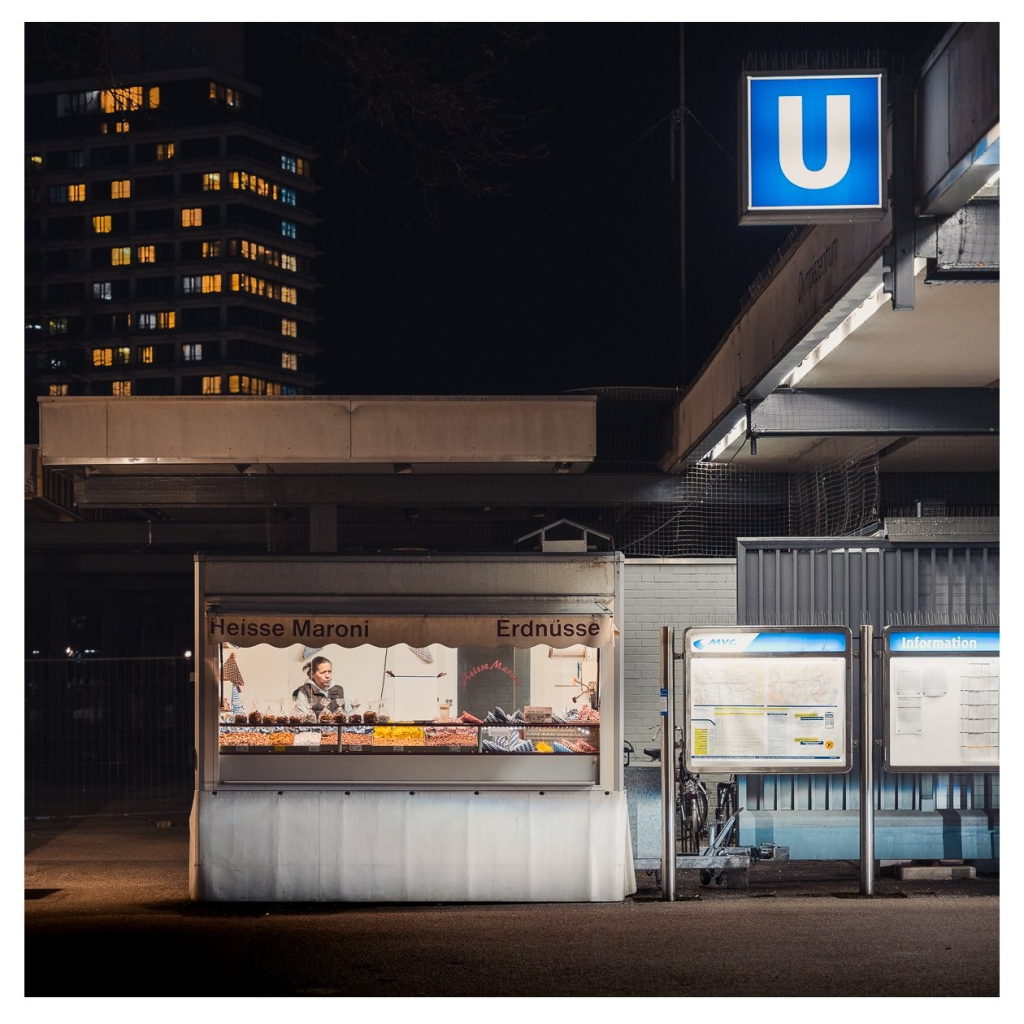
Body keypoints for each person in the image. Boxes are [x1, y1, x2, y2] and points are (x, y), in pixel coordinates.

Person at [292, 655, 345, 720]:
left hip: (337, 730)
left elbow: (348, 714)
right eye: (323, 672)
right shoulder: (304, 691)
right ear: (312, 675)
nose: (327, 676)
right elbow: (302, 718)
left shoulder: (339, 690)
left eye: (329, 672)